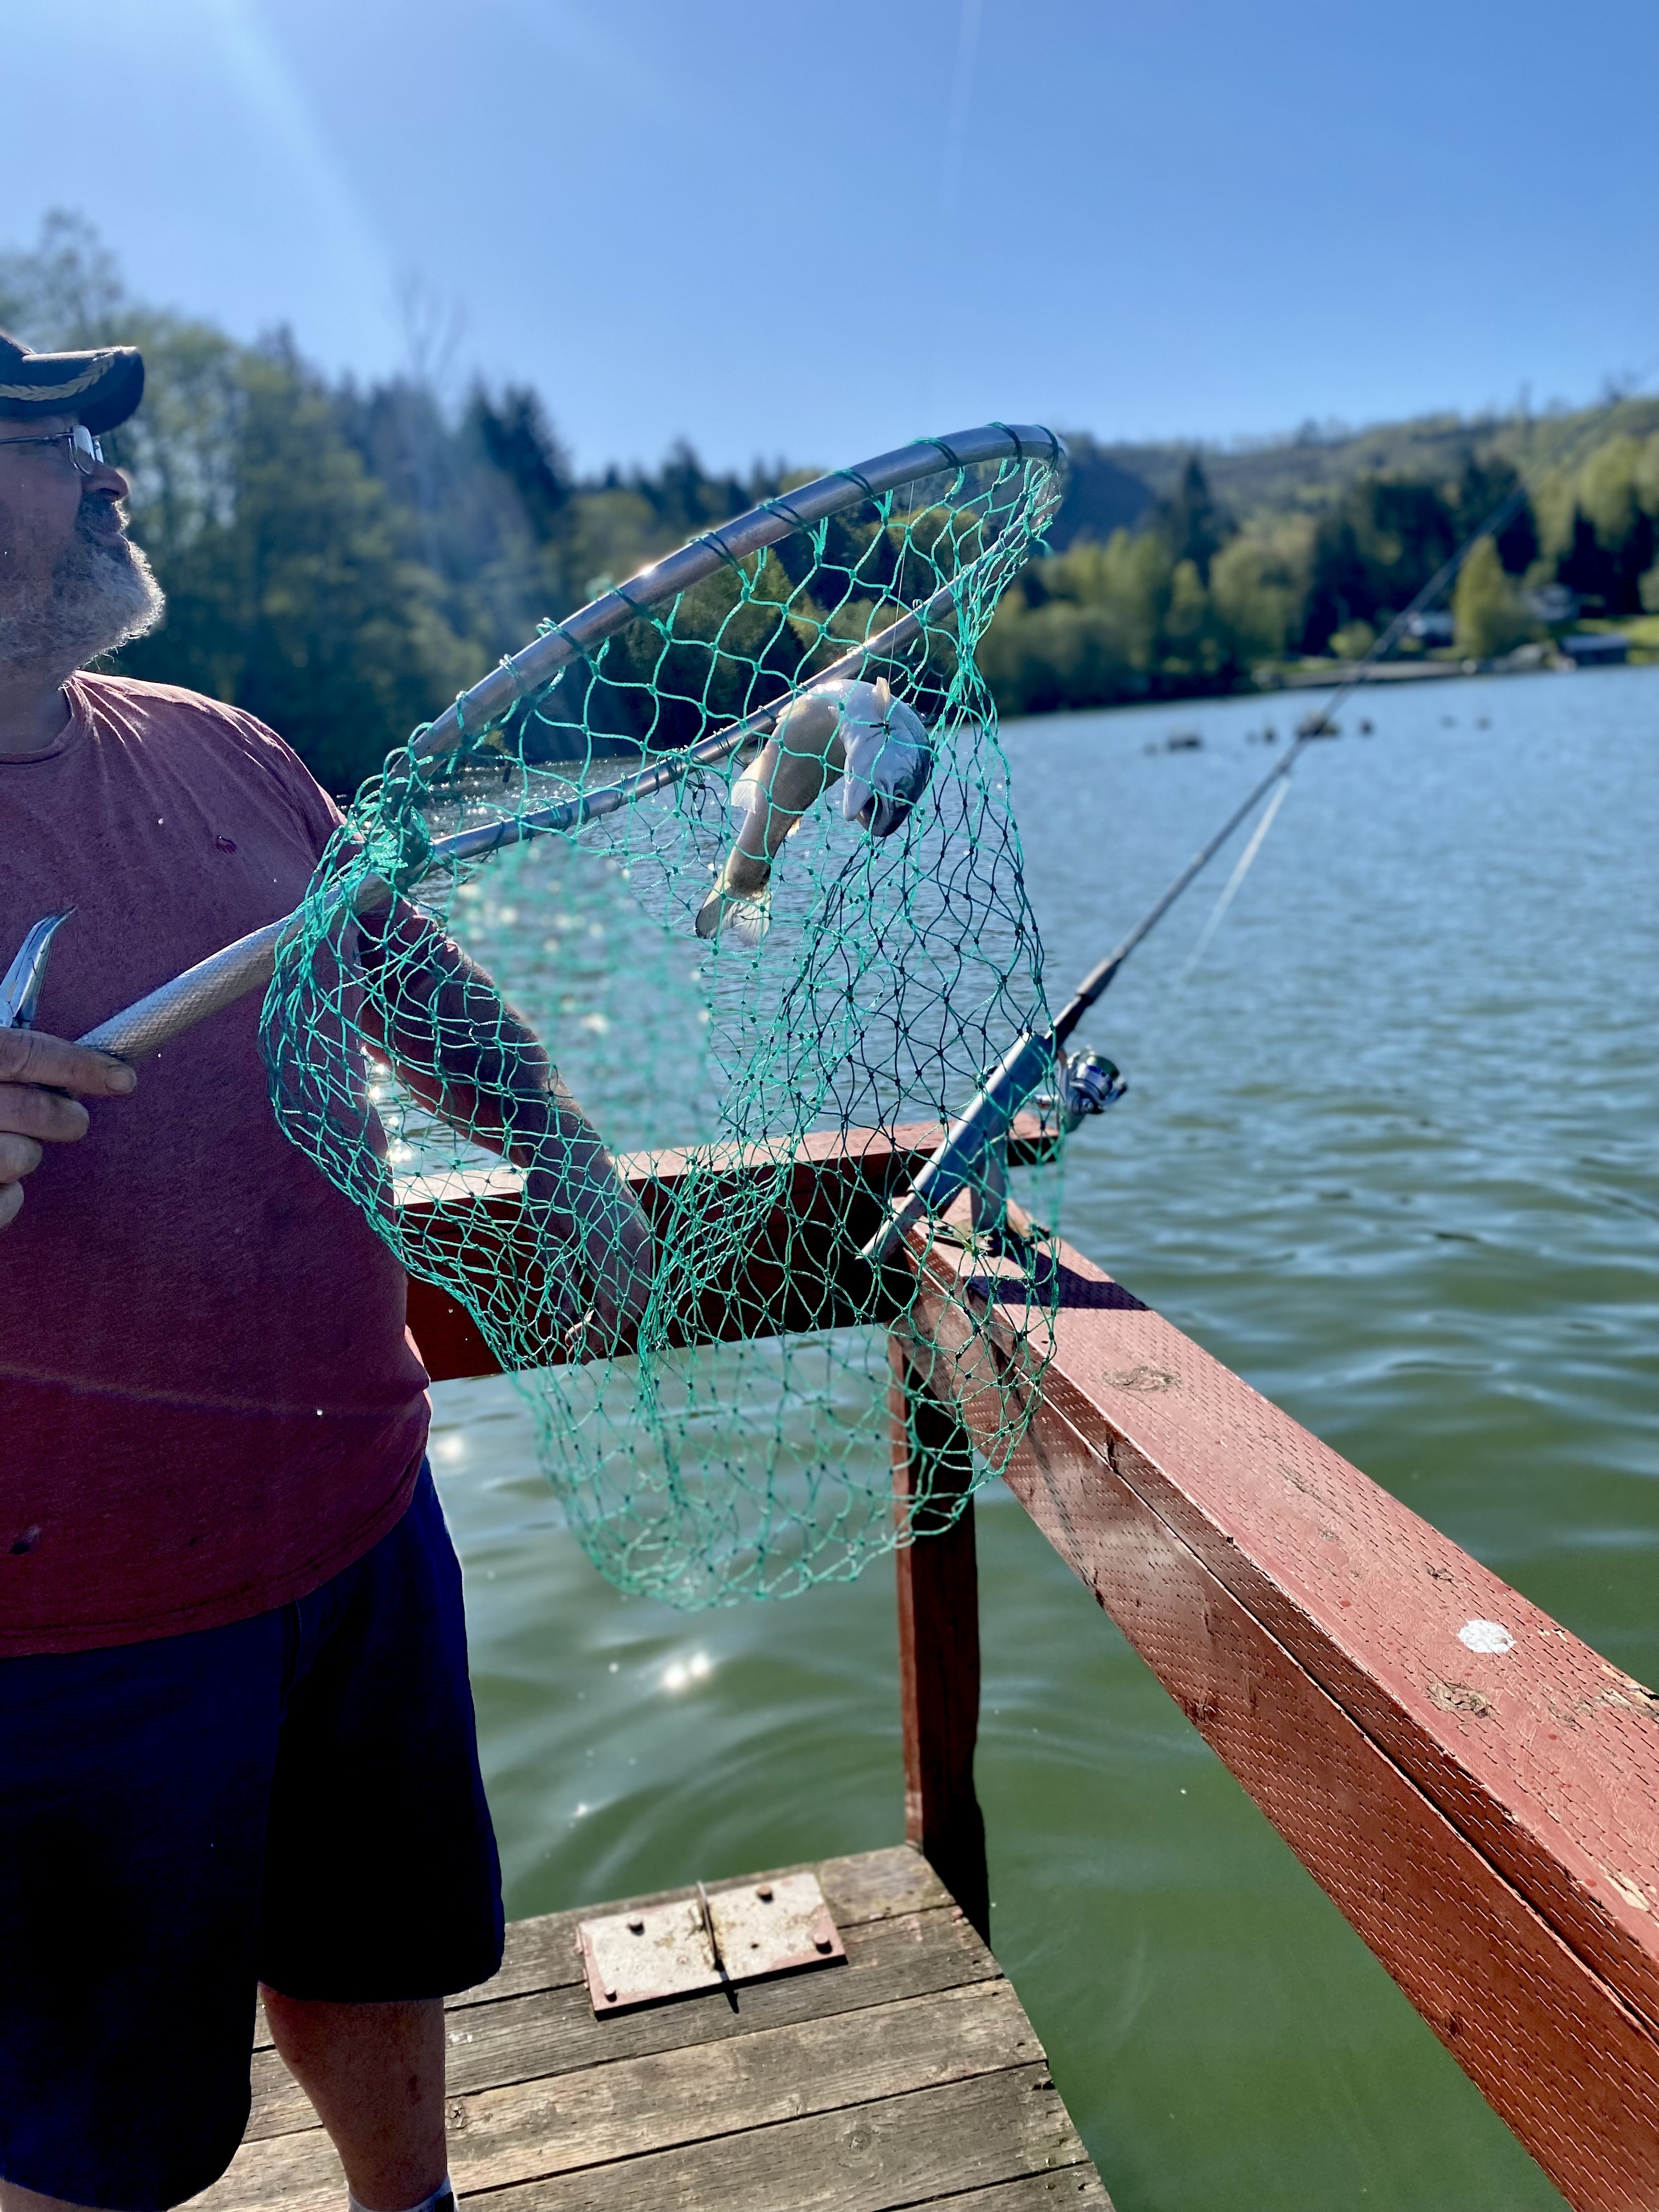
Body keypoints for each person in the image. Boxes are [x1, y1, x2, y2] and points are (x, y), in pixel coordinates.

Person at [0, 329, 653, 2212]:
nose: (116, 473)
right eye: (53, 442)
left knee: (374, 1954)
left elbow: (405, 978)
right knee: (87, 2131)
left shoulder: (223, 745)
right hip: (67, 1645)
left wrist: (559, 1149)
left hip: (360, 1527)